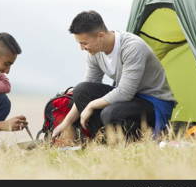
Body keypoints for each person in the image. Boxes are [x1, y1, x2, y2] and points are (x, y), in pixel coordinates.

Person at [52, 11, 176, 141]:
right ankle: (102, 140)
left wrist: (91, 106)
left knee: (111, 113)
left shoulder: (132, 47)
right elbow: (85, 91)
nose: (82, 48)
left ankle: (133, 140)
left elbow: (125, 92)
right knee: (81, 90)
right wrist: (66, 124)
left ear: (100, 35)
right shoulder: (95, 53)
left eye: (84, 43)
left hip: (153, 102)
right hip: (129, 100)